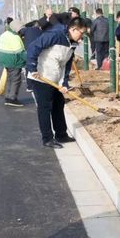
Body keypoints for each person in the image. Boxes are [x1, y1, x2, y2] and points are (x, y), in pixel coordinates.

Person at [26, 17, 85, 148]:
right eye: (81, 33)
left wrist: (64, 83)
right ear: (73, 29)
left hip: (54, 79)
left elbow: (66, 64)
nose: (82, 36)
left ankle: (61, 134)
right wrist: (32, 67)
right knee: (45, 107)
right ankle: (47, 138)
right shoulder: (55, 35)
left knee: (59, 104)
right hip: (41, 76)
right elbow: (33, 47)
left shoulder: (73, 43)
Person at [0, 19, 27, 107]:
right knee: (16, 80)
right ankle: (12, 98)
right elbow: (20, 52)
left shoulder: (4, 34)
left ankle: (8, 96)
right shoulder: (15, 37)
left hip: (5, 60)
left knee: (11, 79)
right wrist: (28, 60)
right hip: (13, 61)